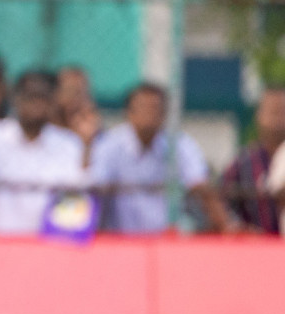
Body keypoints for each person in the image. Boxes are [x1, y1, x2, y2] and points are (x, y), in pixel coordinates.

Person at [88, 82, 232, 234]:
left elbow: (201, 185)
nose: (150, 115)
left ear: (164, 114)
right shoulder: (109, 146)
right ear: (129, 113)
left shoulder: (180, 145)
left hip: (166, 244)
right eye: (144, 108)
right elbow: (95, 189)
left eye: (155, 109)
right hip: (120, 243)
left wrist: (226, 227)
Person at [0, 70, 89, 235]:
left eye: (43, 97)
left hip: (51, 247)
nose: (37, 104)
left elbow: (77, 200)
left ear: (53, 102)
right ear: (16, 98)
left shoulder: (69, 144)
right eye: (31, 96)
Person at [219, 87, 285, 235]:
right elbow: (221, 199)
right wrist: (236, 227)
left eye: (282, 112)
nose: (278, 119)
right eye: (273, 112)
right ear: (259, 115)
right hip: (255, 250)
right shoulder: (245, 162)